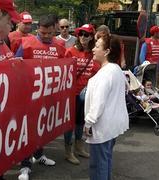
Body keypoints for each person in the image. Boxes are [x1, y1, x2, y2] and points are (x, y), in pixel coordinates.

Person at [15, 15, 65, 180]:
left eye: (49, 33)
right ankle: (25, 166)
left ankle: (39, 155)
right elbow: (15, 66)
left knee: (42, 128)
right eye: (43, 33)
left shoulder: (59, 46)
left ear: (54, 30)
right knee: (28, 131)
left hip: (48, 95)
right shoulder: (26, 43)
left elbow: (64, 69)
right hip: (29, 96)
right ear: (38, 30)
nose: (46, 36)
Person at [84, 35, 129, 180]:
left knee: (98, 165)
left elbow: (98, 104)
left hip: (103, 127)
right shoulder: (115, 69)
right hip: (112, 126)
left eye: (97, 46)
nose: (93, 49)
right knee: (106, 160)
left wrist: (88, 122)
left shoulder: (105, 75)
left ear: (107, 51)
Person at [63, 24, 100, 165]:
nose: (83, 37)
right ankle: (68, 151)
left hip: (87, 95)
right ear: (78, 36)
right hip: (72, 93)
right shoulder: (70, 52)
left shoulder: (94, 53)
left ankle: (79, 147)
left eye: (87, 34)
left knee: (80, 122)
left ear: (92, 37)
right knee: (69, 124)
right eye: (81, 34)